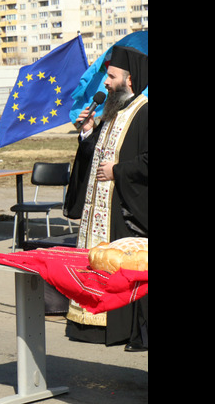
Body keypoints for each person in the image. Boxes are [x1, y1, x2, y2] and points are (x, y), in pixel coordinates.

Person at [63, 45, 148, 351]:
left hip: (127, 210)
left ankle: (128, 329)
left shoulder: (144, 112)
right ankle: (99, 324)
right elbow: (94, 156)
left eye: (112, 76)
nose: (106, 83)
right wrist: (87, 132)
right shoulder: (113, 113)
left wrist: (118, 170)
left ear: (130, 80)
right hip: (103, 211)